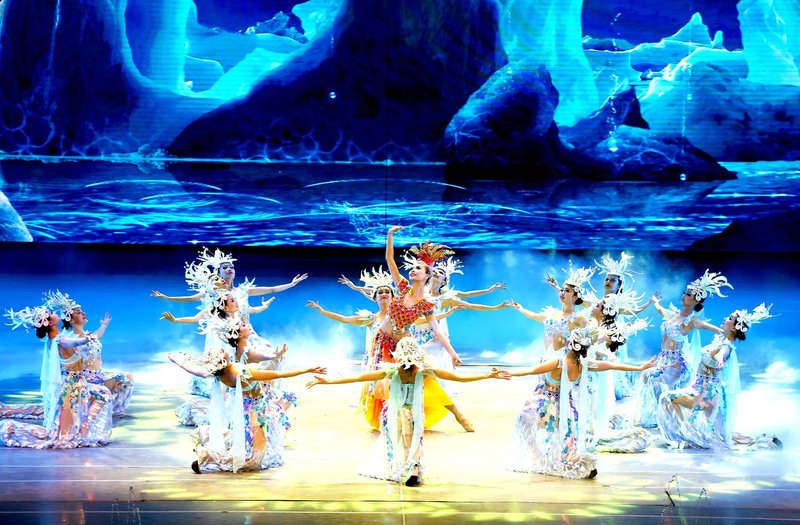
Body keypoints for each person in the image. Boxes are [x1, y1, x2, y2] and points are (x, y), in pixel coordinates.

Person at [306, 337, 509, 486]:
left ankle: (414, 469)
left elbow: (458, 378)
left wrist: (487, 376)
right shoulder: (393, 371)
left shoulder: (424, 371)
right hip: (394, 413)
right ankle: (406, 467)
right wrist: (328, 381)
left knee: (411, 437)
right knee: (400, 438)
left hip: (412, 413)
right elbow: (359, 378)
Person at [169, 318, 325, 473]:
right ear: (223, 360)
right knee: (256, 460)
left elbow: (200, 372)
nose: (223, 350)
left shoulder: (219, 373)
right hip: (256, 411)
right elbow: (278, 374)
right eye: (221, 352)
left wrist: (181, 363)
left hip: (247, 408)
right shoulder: (241, 371)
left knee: (260, 440)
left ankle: (220, 454)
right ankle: (210, 457)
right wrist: (307, 370)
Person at [507, 327, 655, 479]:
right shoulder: (584, 364)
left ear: (570, 344)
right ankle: (555, 459)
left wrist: (507, 373)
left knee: (523, 417)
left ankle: (538, 456)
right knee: (565, 442)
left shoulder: (559, 363)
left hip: (546, 407)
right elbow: (612, 365)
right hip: (568, 411)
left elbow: (532, 370)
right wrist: (639, 367)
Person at [1, 295, 113, 449]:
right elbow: (73, 342)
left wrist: (100, 329)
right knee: (61, 436)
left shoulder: (59, 337)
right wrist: (85, 339)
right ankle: (9, 427)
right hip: (70, 388)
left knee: (102, 394)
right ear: (50, 322)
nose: (54, 312)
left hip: (78, 384)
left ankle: (85, 429)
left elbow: (76, 340)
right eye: (50, 313)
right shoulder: (60, 340)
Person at [657, 304, 772, 449]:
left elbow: (723, 352)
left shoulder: (727, 346)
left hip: (706, 393)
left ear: (734, 328)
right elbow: (703, 326)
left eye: (730, 318)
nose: (725, 318)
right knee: (667, 399)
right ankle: (683, 433)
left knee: (666, 398)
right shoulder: (720, 338)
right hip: (698, 388)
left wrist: (720, 358)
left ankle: (684, 434)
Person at [636, 270, 731, 428]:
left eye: (688, 294)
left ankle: (677, 424)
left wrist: (724, 332)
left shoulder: (691, 320)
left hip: (676, 365)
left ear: (695, 300)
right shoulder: (673, 315)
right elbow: (660, 310)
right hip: (664, 360)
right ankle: (660, 417)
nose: (684, 296)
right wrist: (655, 302)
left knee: (651, 377)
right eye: (684, 293)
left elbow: (705, 326)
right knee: (648, 376)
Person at [509, 265, 595, 360]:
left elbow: (594, 335)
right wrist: (520, 308)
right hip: (546, 360)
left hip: (564, 362)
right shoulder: (552, 314)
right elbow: (533, 315)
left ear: (575, 297)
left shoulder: (578, 318)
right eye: (561, 290)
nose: (562, 292)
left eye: (567, 291)